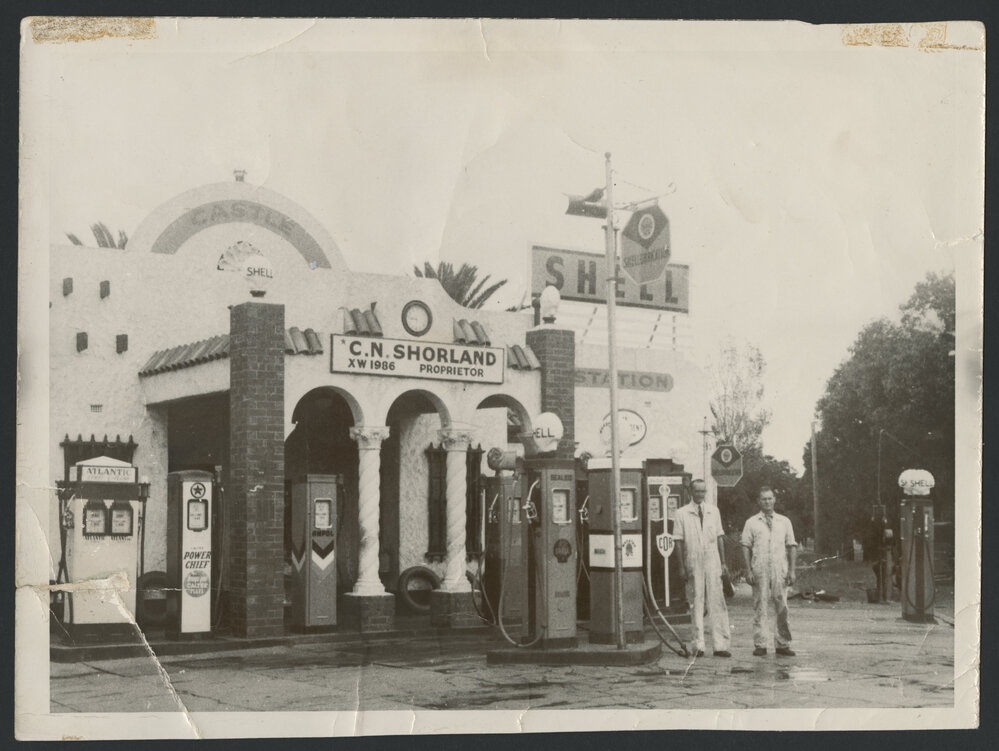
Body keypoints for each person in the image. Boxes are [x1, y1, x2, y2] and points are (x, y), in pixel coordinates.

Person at [673, 479, 731, 657]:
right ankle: (698, 646)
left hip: (713, 562)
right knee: (696, 603)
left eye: (703, 491)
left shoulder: (714, 511)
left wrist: (723, 562)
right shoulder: (681, 513)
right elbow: (678, 541)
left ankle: (720, 646)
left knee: (717, 602)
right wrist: (681, 567)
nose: (700, 494)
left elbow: (720, 537)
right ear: (691, 491)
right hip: (693, 561)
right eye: (697, 491)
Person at [741, 486, 798, 657]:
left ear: (774, 500)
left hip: (779, 567)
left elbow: (791, 546)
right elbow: (745, 546)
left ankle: (782, 643)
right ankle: (760, 644)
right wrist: (748, 570)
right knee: (760, 604)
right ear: (759, 501)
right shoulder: (751, 522)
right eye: (763, 499)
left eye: (770, 498)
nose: (767, 502)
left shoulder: (784, 521)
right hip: (760, 568)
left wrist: (792, 571)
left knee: (781, 605)